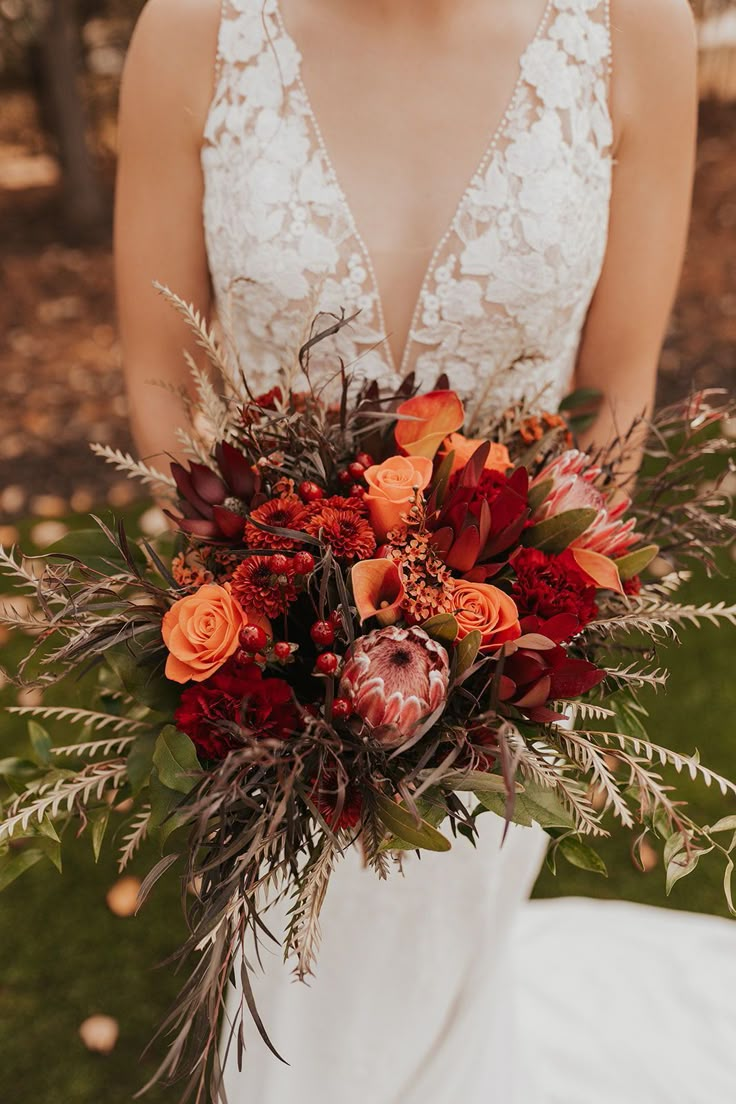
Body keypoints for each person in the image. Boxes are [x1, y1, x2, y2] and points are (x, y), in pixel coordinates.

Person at [115, 2, 736, 1101]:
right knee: (294, 1020)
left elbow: (615, 396)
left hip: (504, 675)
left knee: (438, 1002)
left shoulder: (630, 28)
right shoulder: (195, 27)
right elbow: (163, 382)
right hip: (266, 679)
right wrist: (251, 632)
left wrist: (525, 644)